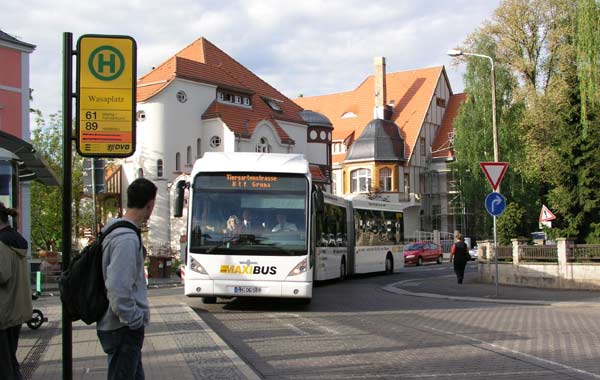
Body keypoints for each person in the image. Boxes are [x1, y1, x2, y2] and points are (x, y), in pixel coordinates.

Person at [97, 178, 157, 380]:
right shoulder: (127, 239)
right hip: (121, 328)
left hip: (121, 327)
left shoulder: (116, 230)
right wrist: (134, 319)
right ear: (150, 205)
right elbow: (118, 288)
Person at [0, 203, 30, 380]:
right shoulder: (14, 239)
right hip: (15, 310)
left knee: (4, 365)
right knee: (9, 360)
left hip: (4, 311)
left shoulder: (2, 243)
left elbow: (2, 274)